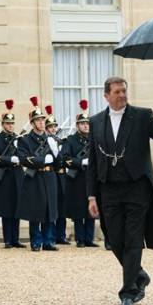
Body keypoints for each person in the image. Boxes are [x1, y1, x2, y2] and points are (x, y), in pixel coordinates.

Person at [87, 76, 153, 305]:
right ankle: (139, 275)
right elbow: (93, 161)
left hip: (136, 188)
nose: (122, 95)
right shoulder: (96, 121)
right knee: (115, 239)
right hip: (108, 189)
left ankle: (128, 292)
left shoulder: (142, 116)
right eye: (117, 92)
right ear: (106, 95)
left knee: (133, 239)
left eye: (124, 91)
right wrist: (91, 196)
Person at [16, 97, 59, 251]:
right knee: (36, 211)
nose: (42, 123)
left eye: (42, 120)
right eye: (38, 120)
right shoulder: (25, 140)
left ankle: (48, 241)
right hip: (35, 178)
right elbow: (23, 159)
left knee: (49, 210)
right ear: (32, 123)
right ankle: (36, 241)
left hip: (49, 177)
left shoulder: (50, 139)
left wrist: (56, 152)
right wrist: (42, 160)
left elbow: (58, 162)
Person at [0, 100, 25, 249]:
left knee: (16, 207)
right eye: (8, 123)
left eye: (12, 123)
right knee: (6, 209)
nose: (11, 126)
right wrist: (9, 159)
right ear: (3, 124)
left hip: (16, 176)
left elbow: (24, 155)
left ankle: (16, 239)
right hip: (4, 177)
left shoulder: (18, 138)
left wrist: (18, 158)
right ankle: (8, 239)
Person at [62, 100, 97, 247]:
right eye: (82, 123)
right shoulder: (71, 140)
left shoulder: (94, 140)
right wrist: (80, 162)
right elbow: (65, 159)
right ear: (77, 125)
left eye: (87, 123)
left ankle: (89, 239)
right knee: (78, 210)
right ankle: (80, 239)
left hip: (91, 178)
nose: (85, 126)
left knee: (91, 209)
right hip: (76, 179)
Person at [45, 106, 69, 245]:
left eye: (54, 126)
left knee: (62, 207)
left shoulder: (61, 141)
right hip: (52, 175)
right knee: (53, 207)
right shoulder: (46, 142)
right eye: (51, 127)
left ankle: (61, 235)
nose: (53, 129)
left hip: (63, 177)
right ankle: (52, 235)